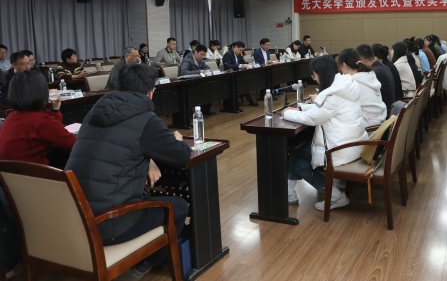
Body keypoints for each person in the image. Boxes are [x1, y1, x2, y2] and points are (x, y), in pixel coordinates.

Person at [65, 64, 191, 279]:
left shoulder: (94, 112)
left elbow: (122, 147)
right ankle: (146, 263)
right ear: (150, 93)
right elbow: (181, 156)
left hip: (75, 217)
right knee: (179, 206)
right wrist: (177, 139)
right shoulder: (147, 119)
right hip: (109, 224)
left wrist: (148, 159)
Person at [283, 55, 368, 210]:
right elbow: (325, 109)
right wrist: (300, 108)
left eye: (314, 75)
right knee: (296, 150)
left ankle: (336, 196)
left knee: (298, 162)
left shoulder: (333, 95)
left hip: (340, 150)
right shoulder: (344, 85)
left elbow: (312, 118)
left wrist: (287, 113)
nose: (314, 79)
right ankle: (289, 193)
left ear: (322, 74)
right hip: (353, 144)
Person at [0, 71, 76, 165]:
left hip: (10, 172)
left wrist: (55, 109)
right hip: (36, 172)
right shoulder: (41, 121)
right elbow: (74, 145)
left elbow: (52, 130)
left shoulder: (11, 116)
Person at [338, 49, 386, 126]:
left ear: (344, 65)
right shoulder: (369, 75)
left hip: (369, 126)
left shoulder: (352, 83)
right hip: (380, 121)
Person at [357, 44, 395, 112]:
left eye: (358, 63)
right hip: (388, 108)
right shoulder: (384, 67)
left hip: (384, 112)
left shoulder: (373, 73)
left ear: (363, 60)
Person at [222, 41, 258, 106]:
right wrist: (241, 66)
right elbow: (228, 66)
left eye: (242, 51)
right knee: (241, 84)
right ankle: (249, 100)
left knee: (244, 83)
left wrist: (249, 64)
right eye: (240, 50)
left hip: (237, 75)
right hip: (229, 76)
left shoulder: (238, 55)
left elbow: (242, 62)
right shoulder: (228, 54)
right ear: (235, 47)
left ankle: (249, 100)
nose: (241, 52)